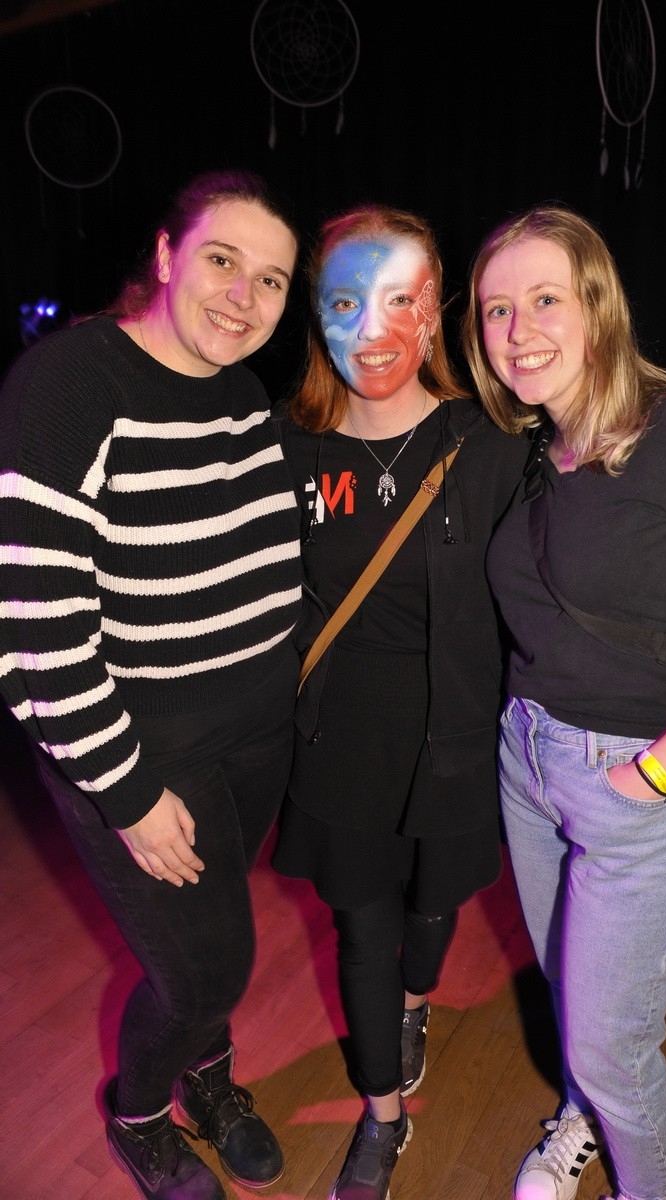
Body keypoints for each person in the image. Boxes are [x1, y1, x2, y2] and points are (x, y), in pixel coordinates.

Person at [461, 204, 666, 1200]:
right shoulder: (534, 446)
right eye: (495, 309)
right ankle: (581, 1118)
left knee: (613, 1046)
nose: (518, 330)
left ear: (598, 305)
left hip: (638, 783)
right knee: (574, 998)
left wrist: (650, 777)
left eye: (545, 300)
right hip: (527, 764)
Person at [0, 169, 303, 1200]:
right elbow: (34, 633)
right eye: (223, 260)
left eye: (272, 280)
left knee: (211, 939)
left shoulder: (242, 396)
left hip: (253, 737)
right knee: (207, 968)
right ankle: (137, 1115)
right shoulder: (74, 382)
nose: (245, 298)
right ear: (168, 256)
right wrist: (125, 793)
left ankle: (207, 1078)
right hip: (140, 749)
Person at [270, 203, 530, 1200]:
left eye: (399, 300)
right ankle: (383, 1117)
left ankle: (418, 1003)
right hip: (337, 742)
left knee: (434, 904)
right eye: (345, 302)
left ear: (436, 309)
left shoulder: (493, 442)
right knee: (362, 930)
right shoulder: (286, 449)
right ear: (318, 314)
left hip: (456, 735)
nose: (372, 329)